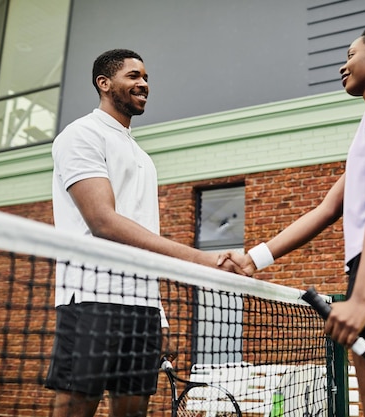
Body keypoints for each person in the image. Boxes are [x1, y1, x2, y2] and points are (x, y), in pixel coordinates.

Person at [221, 26, 365, 417]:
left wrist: (362, 298)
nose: (343, 66)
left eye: (350, 54)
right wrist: (254, 259)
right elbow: (327, 209)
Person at [46, 49, 244, 417]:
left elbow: (143, 237)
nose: (144, 84)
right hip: (92, 298)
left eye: (146, 78)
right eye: (133, 76)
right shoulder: (80, 135)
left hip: (142, 309)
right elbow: (104, 222)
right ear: (104, 84)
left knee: (134, 410)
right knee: (76, 407)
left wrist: (159, 314)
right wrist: (203, 259)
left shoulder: (142, 156)